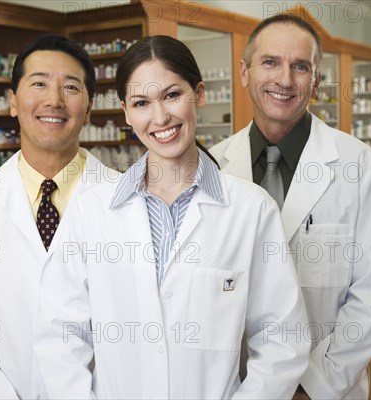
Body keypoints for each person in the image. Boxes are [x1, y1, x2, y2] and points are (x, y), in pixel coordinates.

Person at [34, 35, 309, 400]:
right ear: (126, 112)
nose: (160, 116)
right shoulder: (91, 211)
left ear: (199, 94)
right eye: (142, 103)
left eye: (172, 95)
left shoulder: (251, 210)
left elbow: (281, 338)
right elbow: (60, 336)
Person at [210, 14, 371, 400]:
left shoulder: (359, 166)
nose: (284, 79)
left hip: (323, 387)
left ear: (315, 80)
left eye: (300, 66)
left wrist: (311, 387)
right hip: (234, 385)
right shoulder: (212, 167)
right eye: (270, 62)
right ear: (244, 72)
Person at [0, 34, 118, 399]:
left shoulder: (128, 202)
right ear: (13, 101)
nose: (54, 100)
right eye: (39, 83)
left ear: (89, 107)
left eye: (71, 87)